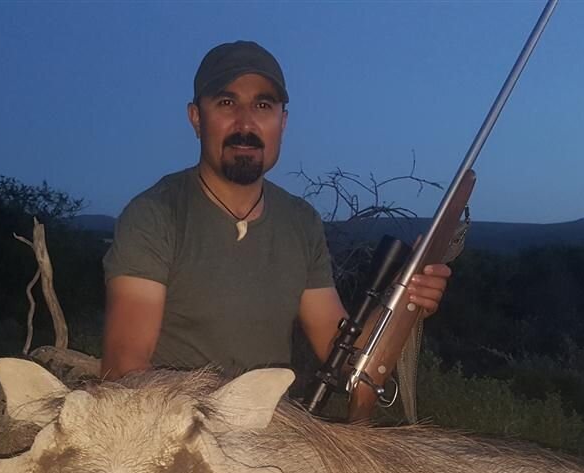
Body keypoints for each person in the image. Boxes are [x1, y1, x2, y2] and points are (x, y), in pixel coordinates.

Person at [100, 40, 451, 381]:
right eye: (226, 102)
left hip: (272, 429)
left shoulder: (300, 221)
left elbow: (342, 356)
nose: (245, 124)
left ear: (282, 123)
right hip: (178, 428)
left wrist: (404, 301)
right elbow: (125, 366)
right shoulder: (154, 214)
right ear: (196, 118)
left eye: (263, 106)